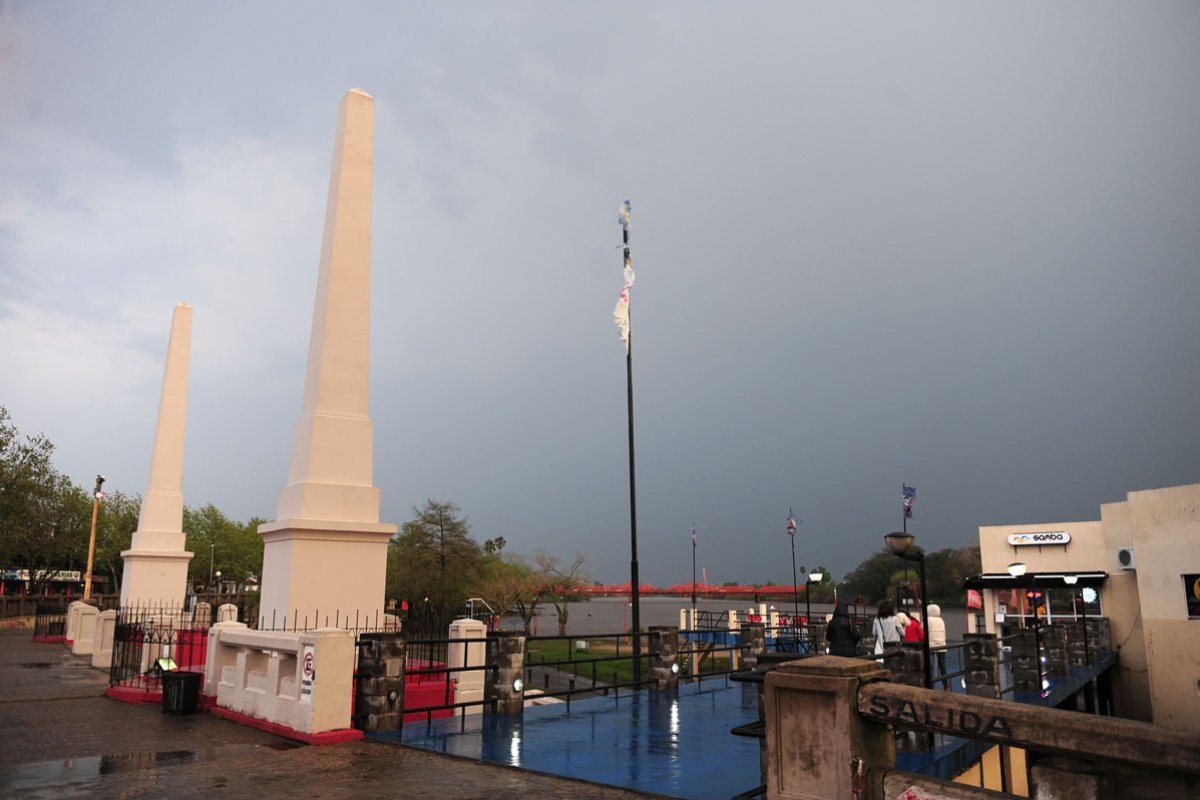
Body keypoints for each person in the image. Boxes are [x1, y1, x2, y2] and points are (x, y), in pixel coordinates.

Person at [926, 603, 948, 689]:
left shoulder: (927, 620)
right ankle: (946, 684)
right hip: (942, 645)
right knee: (942, 666)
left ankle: (931, 686)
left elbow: (922, 632)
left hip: (931, 646)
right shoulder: (941, 620)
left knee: (931, 667)